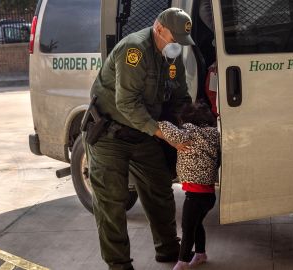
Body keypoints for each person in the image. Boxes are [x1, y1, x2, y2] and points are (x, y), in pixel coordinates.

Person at [83, 8, 195, 270]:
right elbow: (127, 103)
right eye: (174, 38)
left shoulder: (171, 54)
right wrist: (164, 134)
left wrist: (189, 124)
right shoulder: (134, 50)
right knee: (112, 201)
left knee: (159, 189)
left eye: (181, 40)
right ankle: (119, 264)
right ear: (158, 29)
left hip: (142, 132)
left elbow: (179, 95)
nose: (177, 44)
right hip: (110, 134)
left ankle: (168, 249)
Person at [157, 102, 220, 270]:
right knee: (196, 224)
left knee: (187, 228)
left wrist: (159, 122)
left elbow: (170, 132)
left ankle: (182, 262)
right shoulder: (214, 135)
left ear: (186, 120)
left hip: (195, 195)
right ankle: (200, 254)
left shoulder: (189, 132)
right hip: (209, 194)